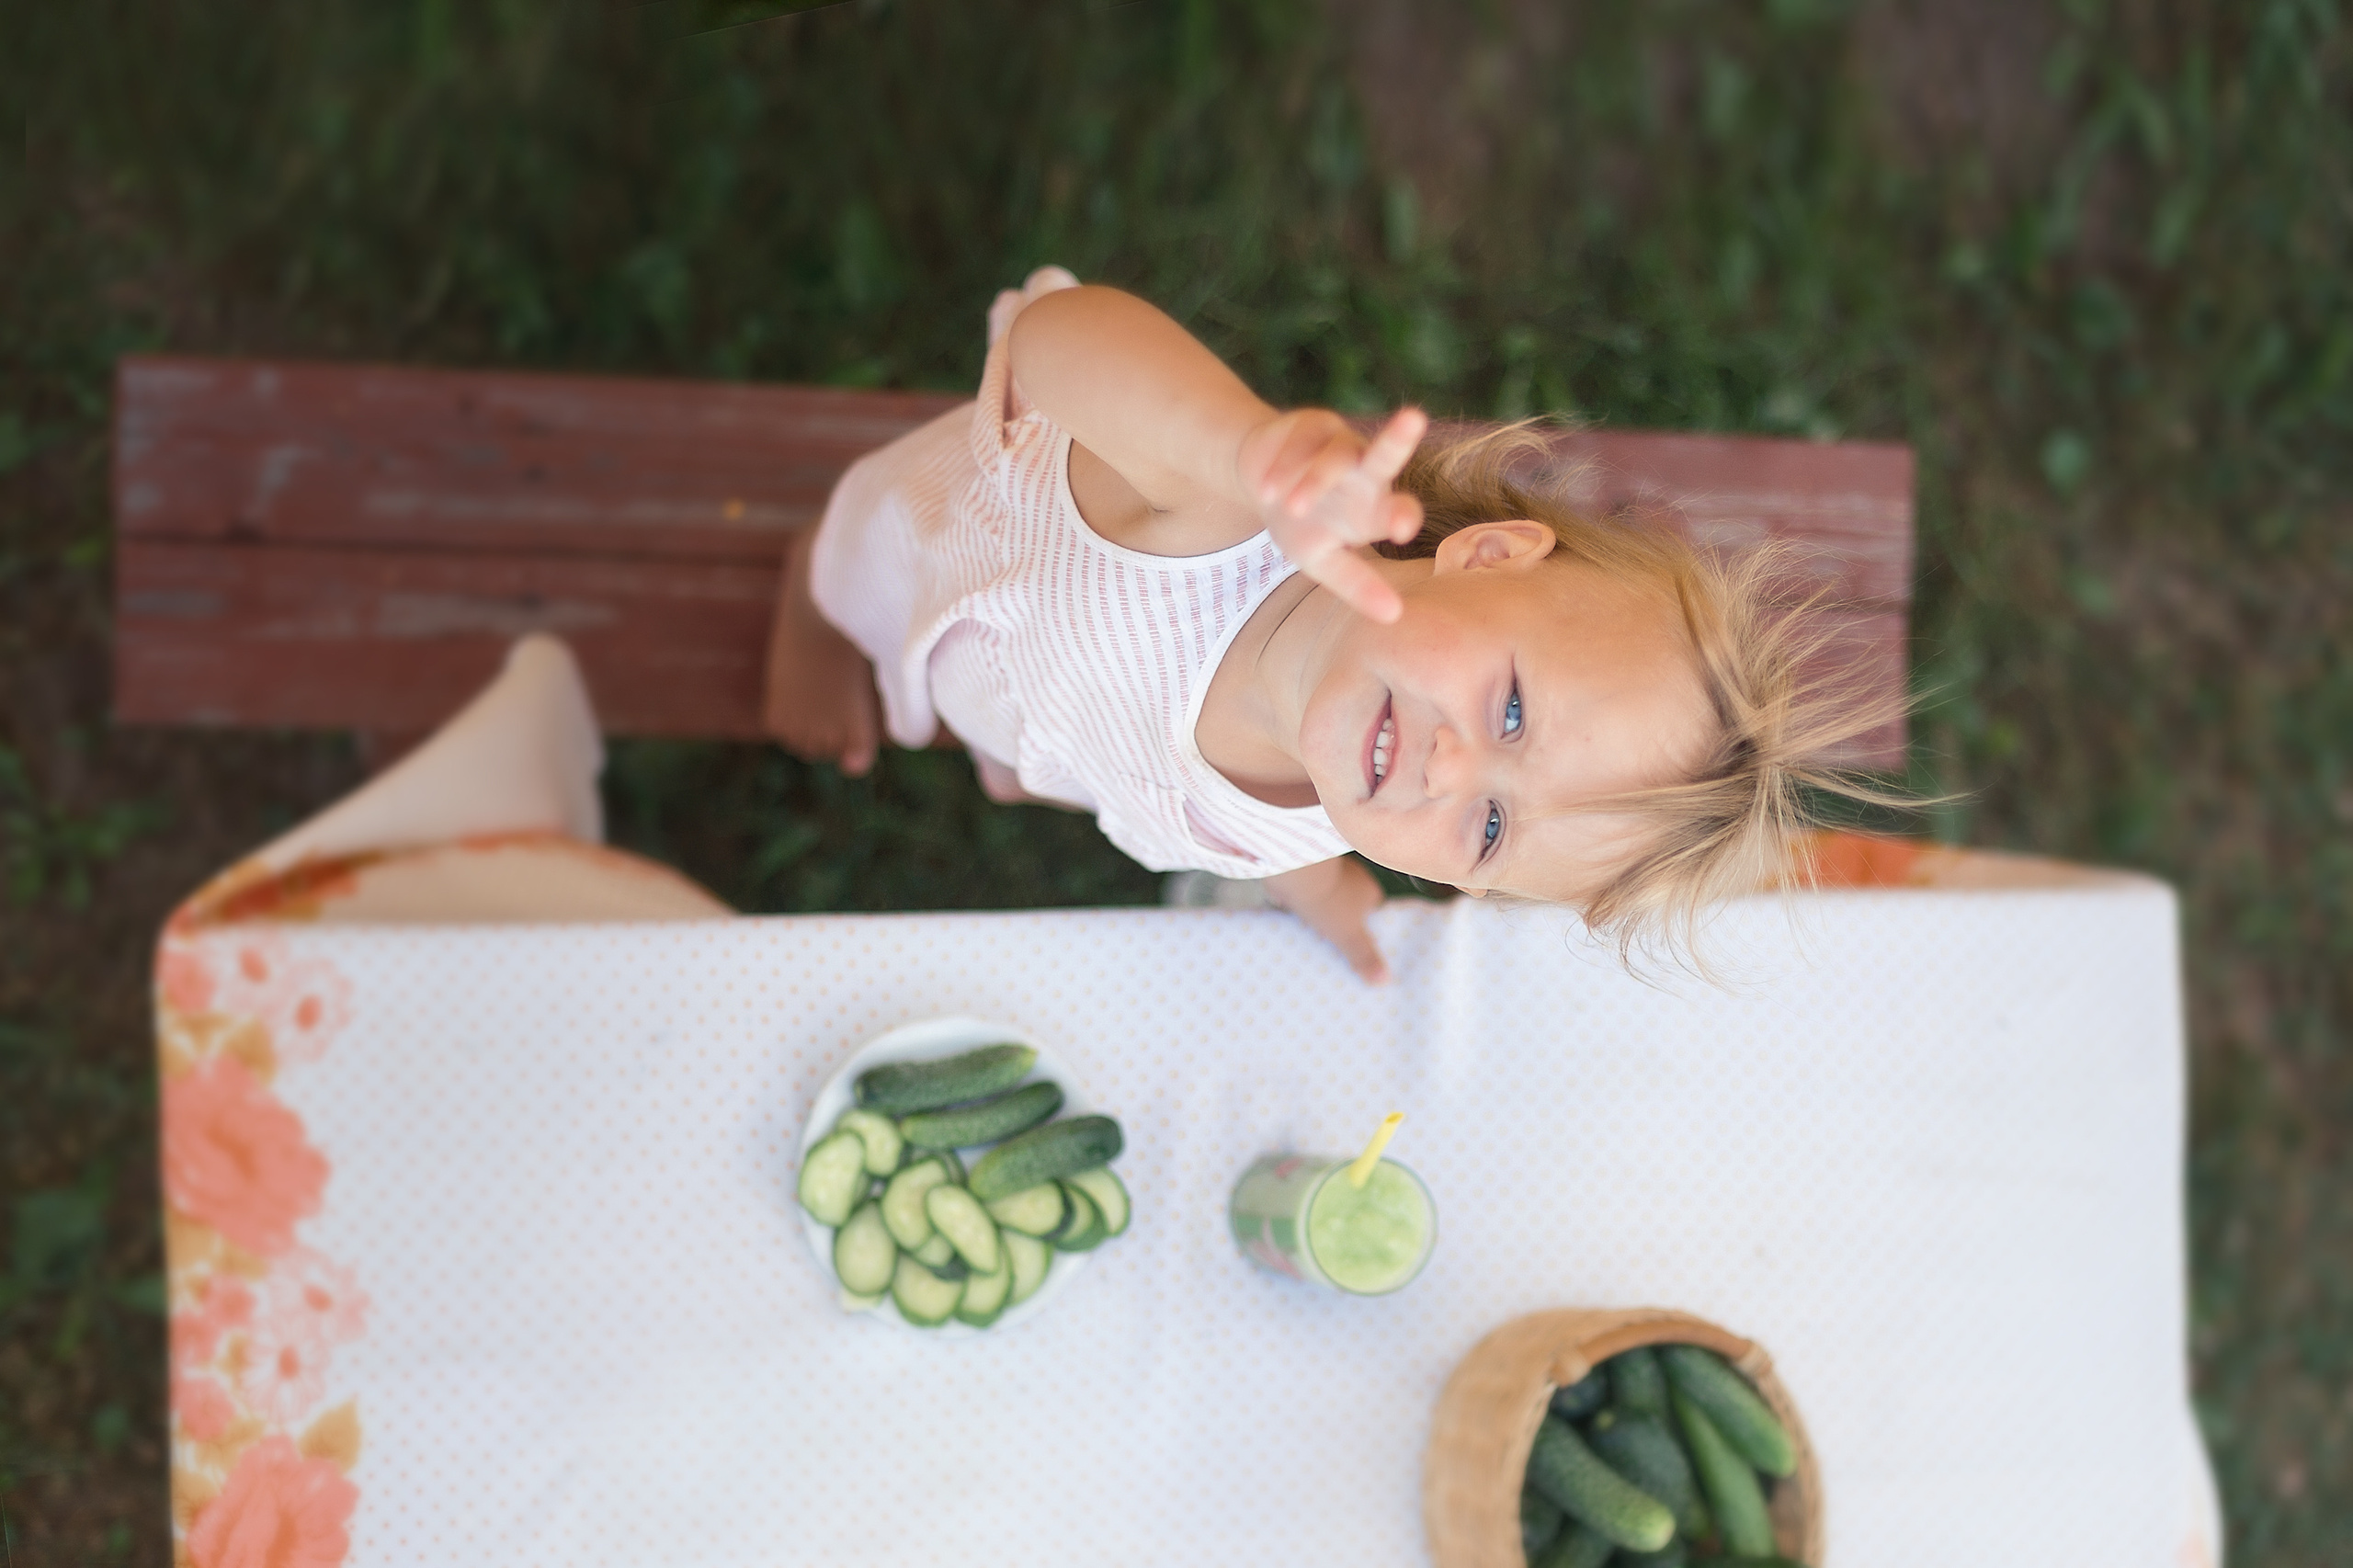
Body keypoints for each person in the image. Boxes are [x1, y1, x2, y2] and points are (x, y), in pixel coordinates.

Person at [765, 268, 1899, 981]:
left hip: (1048, 700)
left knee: (994, 728)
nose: (1450, 773)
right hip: (946, 548)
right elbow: (1064, 337)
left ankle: (972, 721)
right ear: (1484, 553)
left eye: (1492, 830)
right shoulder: (1221, 519)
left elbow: (1281, 843)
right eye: (1509, 708)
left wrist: (1321, 890)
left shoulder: (1324, 813)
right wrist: (1244, 449)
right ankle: (814, 599)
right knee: (862, 568)